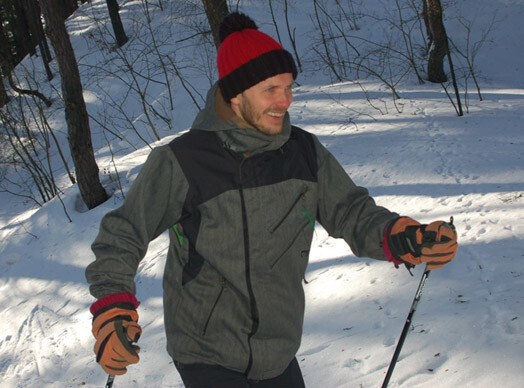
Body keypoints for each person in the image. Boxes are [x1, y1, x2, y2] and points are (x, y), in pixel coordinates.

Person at [85, 12, 458, 388]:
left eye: (289, 86)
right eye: (270, 90)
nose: (286, 100)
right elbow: (123, 233)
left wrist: (402, 235)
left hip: (278, 350)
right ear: (235, 95)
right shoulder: (184, 160)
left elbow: (351, 212)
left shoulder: (305, 152)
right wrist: (112, 306)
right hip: (206, 351)